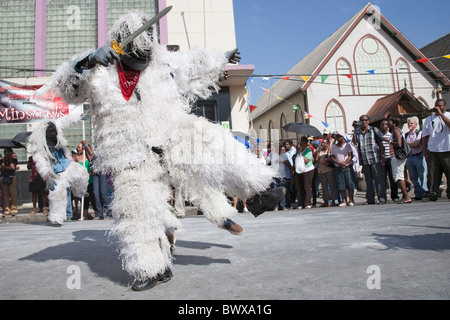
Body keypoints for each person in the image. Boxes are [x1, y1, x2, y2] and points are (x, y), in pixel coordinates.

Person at [37, 11, 285, 292]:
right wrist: (86, 62)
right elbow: (67, 89)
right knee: (136, 210)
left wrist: (221, 58)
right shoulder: (98, 71)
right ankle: (152, 267)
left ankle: (258, 190)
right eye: (136, 58)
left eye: (146, 57)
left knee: (210, 140)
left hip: (172, 132)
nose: (142, 63)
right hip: (130, 155)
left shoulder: (160, 62)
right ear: (120, 48)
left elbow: (191, 64)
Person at [352, 114, 387, 204]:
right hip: (365, 160)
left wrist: (383, 156)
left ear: (368, 121)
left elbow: (380, 142)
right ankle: (370, 199)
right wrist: (355, 129)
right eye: (362, 120)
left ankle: (382, 198)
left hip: (375, 159)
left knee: (379, 180)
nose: (364, 122)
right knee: (368, 181)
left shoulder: (374, 130)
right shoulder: (358, 132)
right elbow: (355, 142)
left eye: (365, 120)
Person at [422, 99, 450, 201]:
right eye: (436, 106)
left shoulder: (448, 115)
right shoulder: (429, 119)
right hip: (433, 150)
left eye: (440, 106)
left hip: (447, 149)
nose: (438, 108)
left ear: (445, 106)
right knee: (433, 174)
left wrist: (441, 115)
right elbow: (425, 136)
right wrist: (424, 150)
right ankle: (433, 193)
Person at [387, 115, 412, 204]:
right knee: (397, 176)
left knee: (398, 176)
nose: (387, 123)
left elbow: (398, 144)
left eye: (389, 121)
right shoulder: (396, 131)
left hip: (397, 157)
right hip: (395, 157)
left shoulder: (396, 131)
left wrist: (389, 141)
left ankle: (406, 196)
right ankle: (407, 187)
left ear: (394, 123)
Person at [405, 116, 427, 200]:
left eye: (411, 123)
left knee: (422, 175)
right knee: (413, 177)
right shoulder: (406, 134)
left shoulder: (419, 133)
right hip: (410, 157)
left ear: (416, 124)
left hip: (419, 155)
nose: (409, 125)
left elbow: (417, 144)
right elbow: (404, 145)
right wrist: (410, 144)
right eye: (408, 123)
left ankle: (425, 192)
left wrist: (408, 144)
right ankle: (418, 194)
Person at [331, 132, 355, 206]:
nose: (339, 138)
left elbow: (350, 155)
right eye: (337, 137)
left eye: (340, 136)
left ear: (343, 137)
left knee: (349, 184)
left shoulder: (347, 146)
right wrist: (339, 163)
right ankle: (344, 201)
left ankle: (351, 200)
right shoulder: (333, 147)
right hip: (338, 167)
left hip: (346, 166)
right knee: (341, 184)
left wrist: (344, 163)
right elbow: (333, 157)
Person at [380, 119, 399, 202]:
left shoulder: (391, 135)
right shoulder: (378, 135)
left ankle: (395, 196)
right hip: (382, 159)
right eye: (383, 124)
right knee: (382, 179)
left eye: (386, 124)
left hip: (390, 158)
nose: (385, 125)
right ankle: (383, 197)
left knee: (393, 178)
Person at [314, 137, 337, 207]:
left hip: (329, 170)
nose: (322, 144)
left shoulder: (330, 149)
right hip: (321, 170)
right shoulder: (319, 151)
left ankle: (333, 200)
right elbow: (316, 160)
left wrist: (327, 160)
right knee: (324, 187)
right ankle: (326, 201)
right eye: (322, 143)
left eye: (324, 143)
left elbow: (333, 157)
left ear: (327, 143)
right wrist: (320, 162)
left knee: (331, 186)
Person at [266, 142, 287, 211]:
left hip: (282, 175)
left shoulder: (283, 154)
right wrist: (271, 153)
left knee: (282, 191)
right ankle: (276, 206)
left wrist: (280, 160)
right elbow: (267, 161)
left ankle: (283, 205)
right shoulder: (272, 154)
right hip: (274, 175)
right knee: (274, 191)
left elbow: (288, 162)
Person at [295, 136, 315, 209]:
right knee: (300, 187)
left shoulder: (308, 150)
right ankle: (301, 202)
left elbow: (307, 161)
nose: (301, 143)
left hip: (308, 170)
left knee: (307, 186)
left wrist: (300, 154)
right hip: (300, 170)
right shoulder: (299, 151)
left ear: (305, 143)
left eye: (302, 141)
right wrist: (298, 152)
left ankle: (308, 203)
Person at [1, 148, 19, 217]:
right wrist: (3, 161)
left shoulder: (13, 160)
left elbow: (12, 167)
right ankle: (6, 209)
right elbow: (2, 168)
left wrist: (10, 160)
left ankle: (14, 209)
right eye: (7, 153)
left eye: (9, 152)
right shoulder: (2, 160)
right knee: (5, 193)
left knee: (12, 193)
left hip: (12, 177)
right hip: (4, 177)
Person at [280, 139, 296, 209]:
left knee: (290, 190)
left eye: (287, 144)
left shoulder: (291, 153)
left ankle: (289, 204)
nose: (286, 146)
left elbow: (290, 164)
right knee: (285, 190)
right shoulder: (284, 154)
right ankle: (286, 205)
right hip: (285, 174)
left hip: (290, 173)